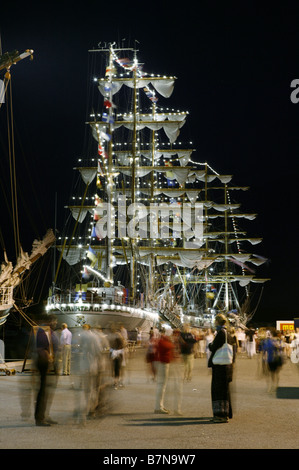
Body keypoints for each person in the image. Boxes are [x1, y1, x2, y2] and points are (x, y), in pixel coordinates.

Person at [208, 313, 234, 423]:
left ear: (218, 322)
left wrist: (210, 345)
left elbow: (214, 347)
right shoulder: (227, 333)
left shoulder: (221, 333)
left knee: (218, 391)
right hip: (227, 366)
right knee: (225, 391)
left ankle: (220, 415)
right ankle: (226, 413)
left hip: (220, 366)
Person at [34, 314, 59, 426]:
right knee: (42, 392)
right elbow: (40, 348)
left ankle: (45, 415)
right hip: (44, 364)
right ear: (49, 321)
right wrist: (47, 357)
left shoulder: (48, 332)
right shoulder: (41, 332)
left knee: (47, 391)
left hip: (49, 364)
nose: (56, 323)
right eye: (54, 321)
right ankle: (40, 418)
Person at [154, 328, 174, 414]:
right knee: (161, 386)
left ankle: (160, 406)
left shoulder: (163, 340)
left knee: (162, 386)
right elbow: (169, 347)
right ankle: (158, 407)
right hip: (163, 364)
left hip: (163, 364)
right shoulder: (163, 341)